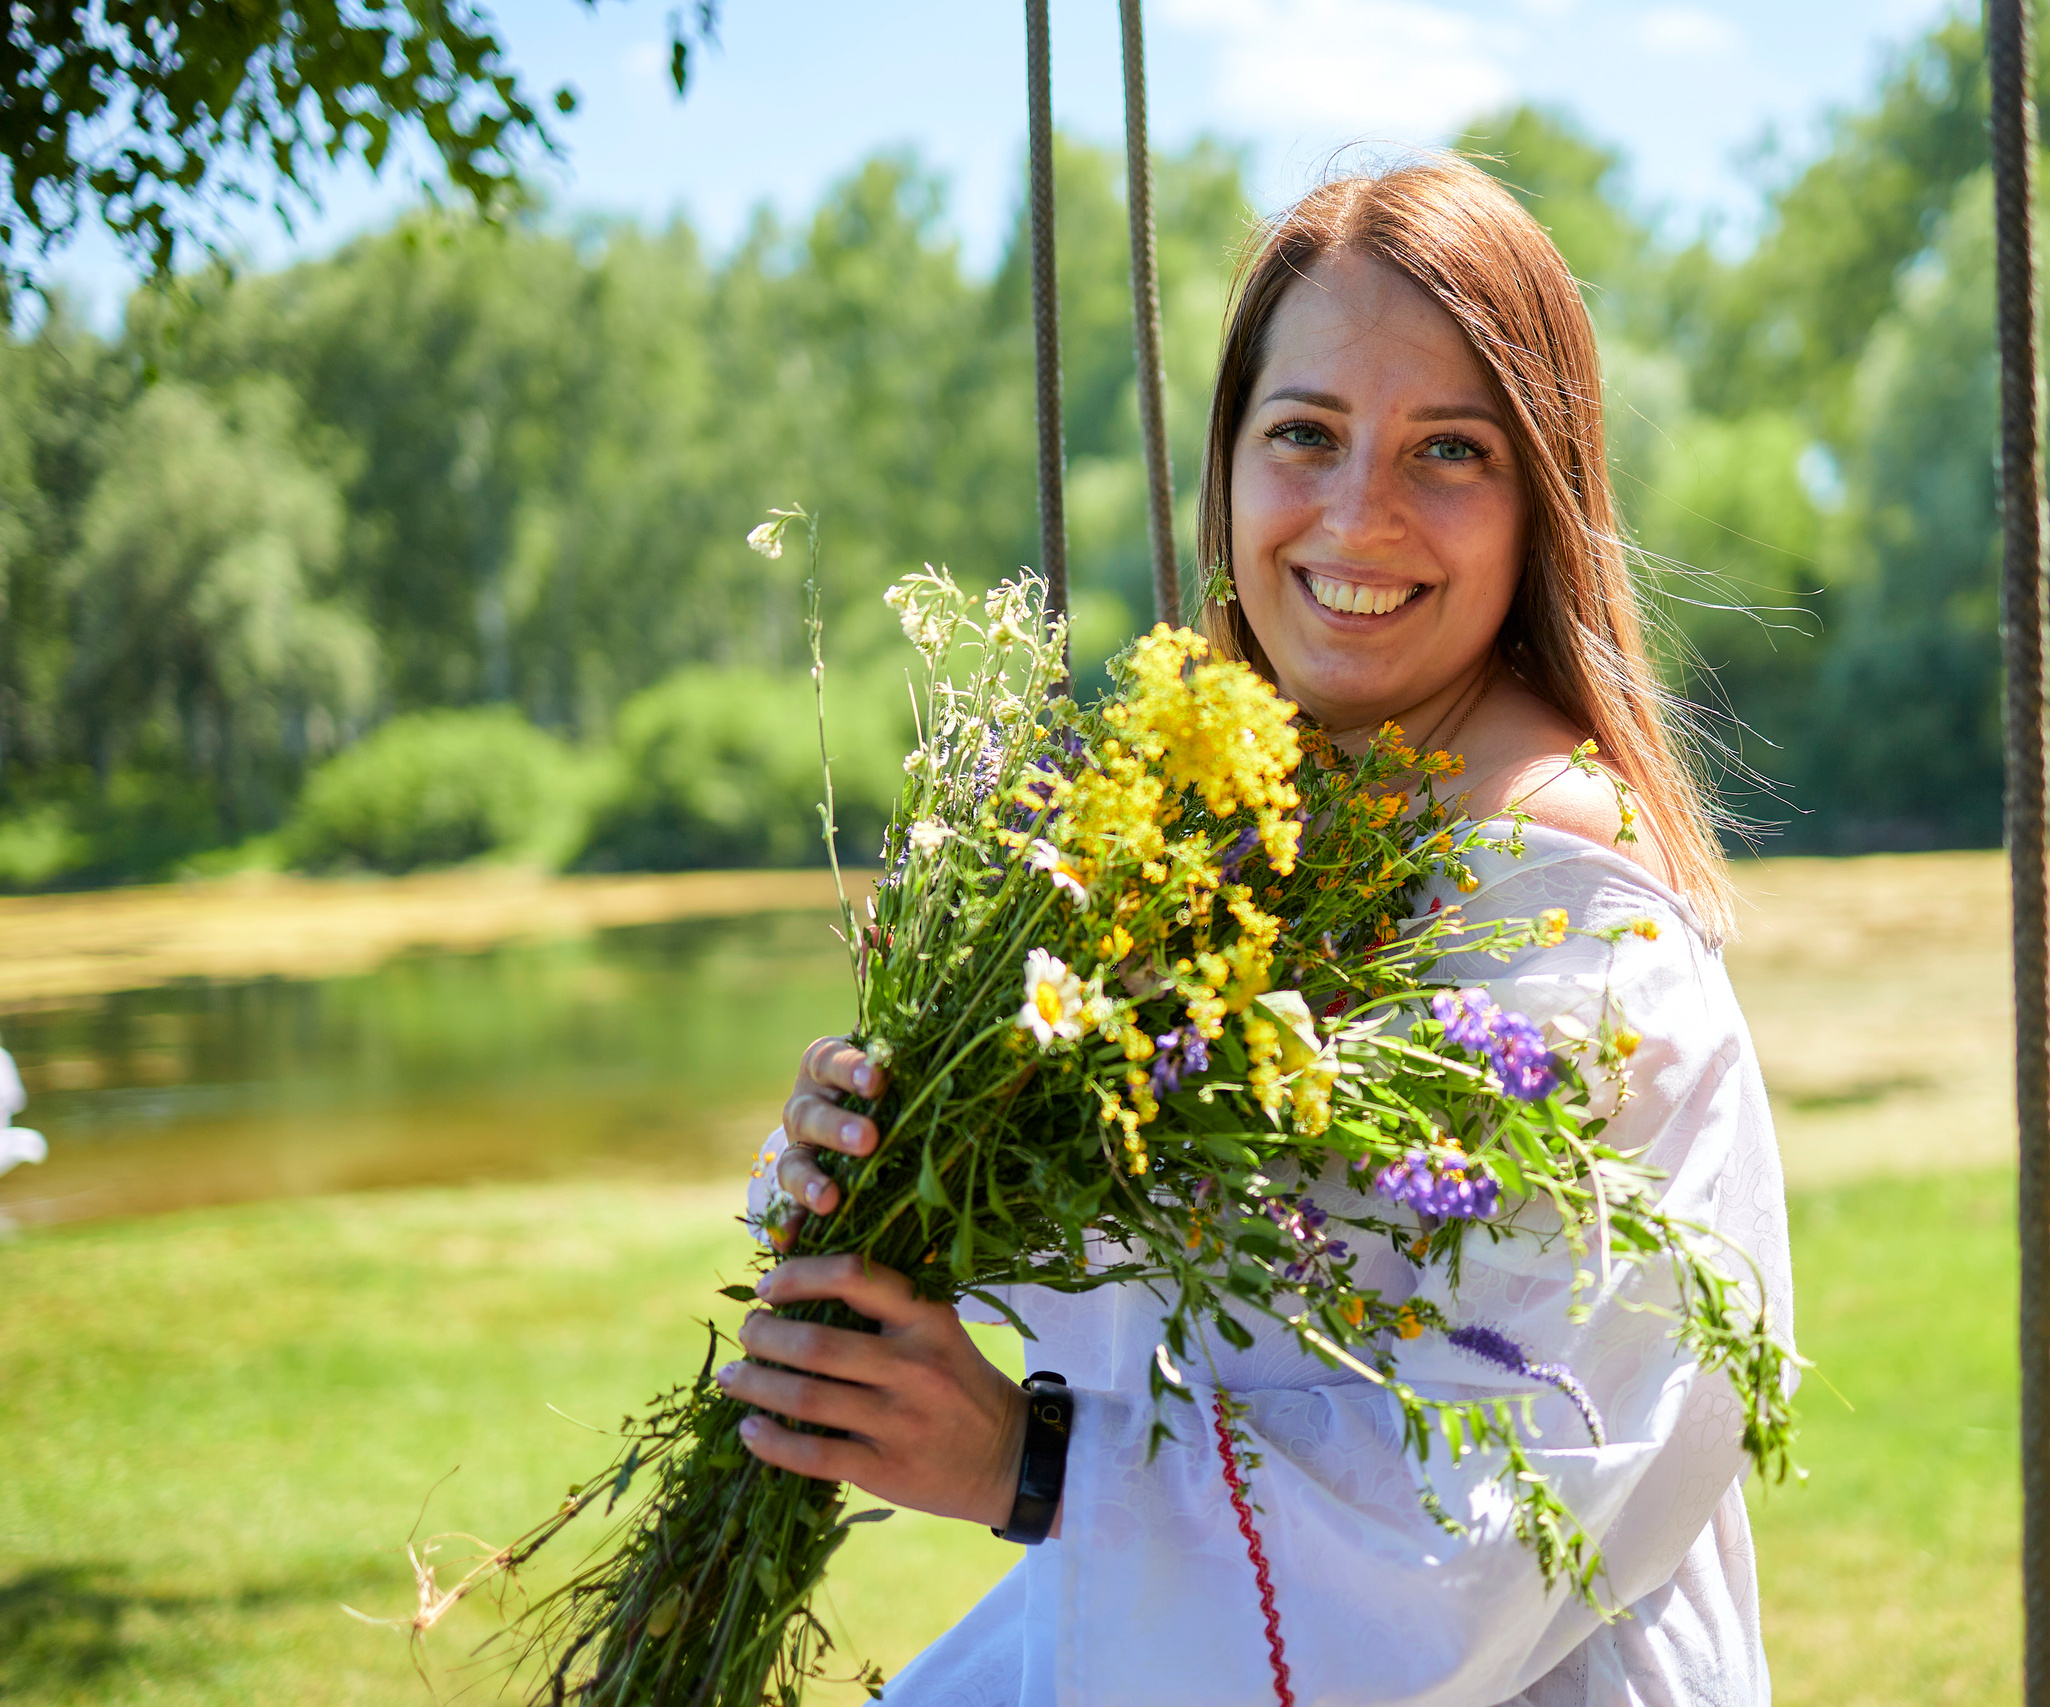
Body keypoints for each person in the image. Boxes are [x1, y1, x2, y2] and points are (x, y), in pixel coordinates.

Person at [721, 157, 1795, 1706]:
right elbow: (1160, 1277)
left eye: (1449, 450)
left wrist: (1033, 1467)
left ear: (1542, 493)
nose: (1358, 516)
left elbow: (1511, 1511)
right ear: (1225, 462)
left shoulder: (1581, 931)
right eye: (1306, 434)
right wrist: (885, 1171)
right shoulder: (1203, 834)